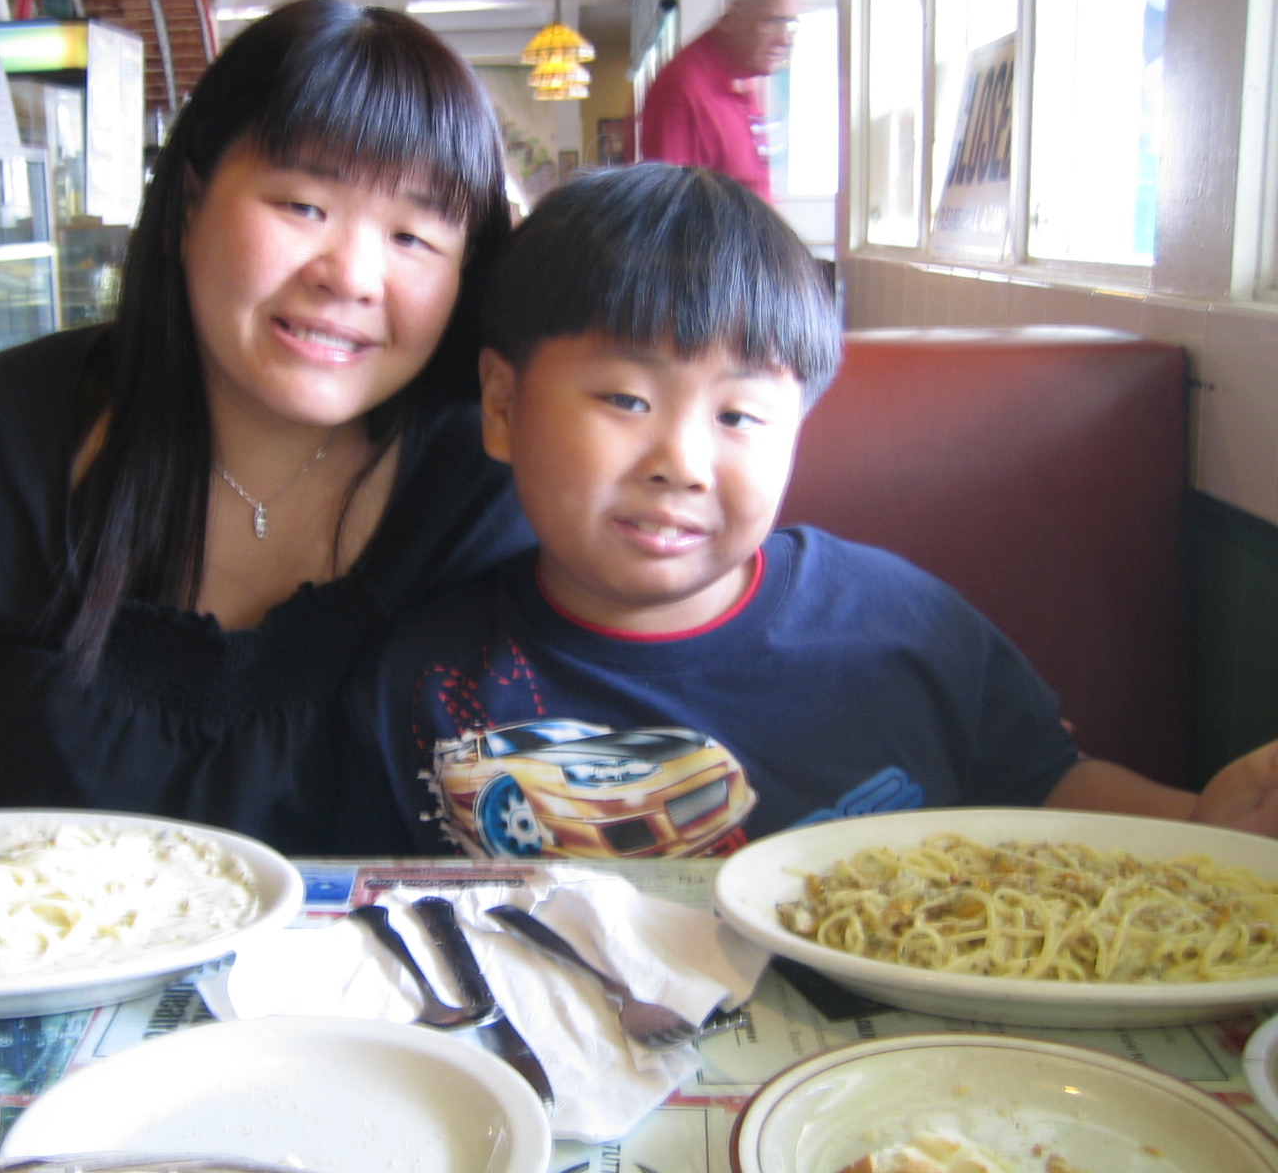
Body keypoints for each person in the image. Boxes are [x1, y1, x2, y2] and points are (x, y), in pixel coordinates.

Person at [0, 0, 532, 853]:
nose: (351, 275)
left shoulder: (497, 483)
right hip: (39, 940)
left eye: (414, 237)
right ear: (188, 202)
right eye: (303, 204)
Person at [342, 163, 1278, 858]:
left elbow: (1050, 789)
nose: (682, 463)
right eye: (626, 399)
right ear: (503, 407)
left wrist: (1206, 824)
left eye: (740, 416)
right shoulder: (426, 680)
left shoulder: (903, 625)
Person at [638, 0, 799, 199]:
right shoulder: (682, 90)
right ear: (734, 16)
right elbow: (670, 209)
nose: (784, 40)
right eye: (772, 22)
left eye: (791, 23)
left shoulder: (742, 77)